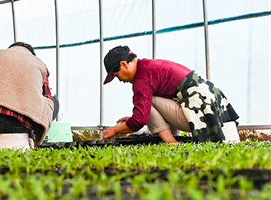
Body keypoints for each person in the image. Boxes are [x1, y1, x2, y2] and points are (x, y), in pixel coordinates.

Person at [102, 45, 239, 143]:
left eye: (117, 75)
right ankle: (172, 139)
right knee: (149, 103)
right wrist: (136, 115)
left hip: (200, 112)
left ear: (124, 64)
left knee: (151, 102)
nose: (120, 80)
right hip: (213, 106)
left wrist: (115, 130)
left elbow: (140, 120)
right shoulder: (151, 66)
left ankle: (171, 142)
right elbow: (144, 114)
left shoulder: (142, 79)